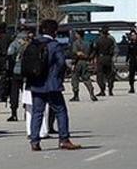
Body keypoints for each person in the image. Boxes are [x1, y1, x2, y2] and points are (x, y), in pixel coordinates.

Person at [26, 18, 82, 152]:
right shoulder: (54, 45)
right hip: (51, 85)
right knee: (60, 111)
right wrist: (57, 76)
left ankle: (35, 141)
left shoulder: (33, 43)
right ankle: (64, 139)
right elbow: (61, 63)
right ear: (55, 31)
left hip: (36, 83)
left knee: (37, 112)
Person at [7, 28, 29, 122]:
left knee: (14, 93)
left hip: (16, 71)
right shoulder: (29, 44)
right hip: (26, 72)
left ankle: (14, 113)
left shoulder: (15, 43)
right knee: (26, 92)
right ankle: (27, 111)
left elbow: (10, 54)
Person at [70, 29, 98, 102]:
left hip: (78, 62)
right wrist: (89, 58)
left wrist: (73, 63)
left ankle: (76, 96)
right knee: (86, 78)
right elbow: (93, 51)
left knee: (75, 78)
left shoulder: (76, 43)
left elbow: (75, 54)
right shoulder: (88, 43)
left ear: (78, 35)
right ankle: (91, 94)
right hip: (86, 62)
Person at [94, 27, 117, 97]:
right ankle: (110, 90)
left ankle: (102, 90)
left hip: (101, 58)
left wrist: (93, 58)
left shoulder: (98, 41)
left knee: (100, 75)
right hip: (108, 58)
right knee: (109, 75)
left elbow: (95, 50)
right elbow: (113, 50)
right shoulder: (111, 40)